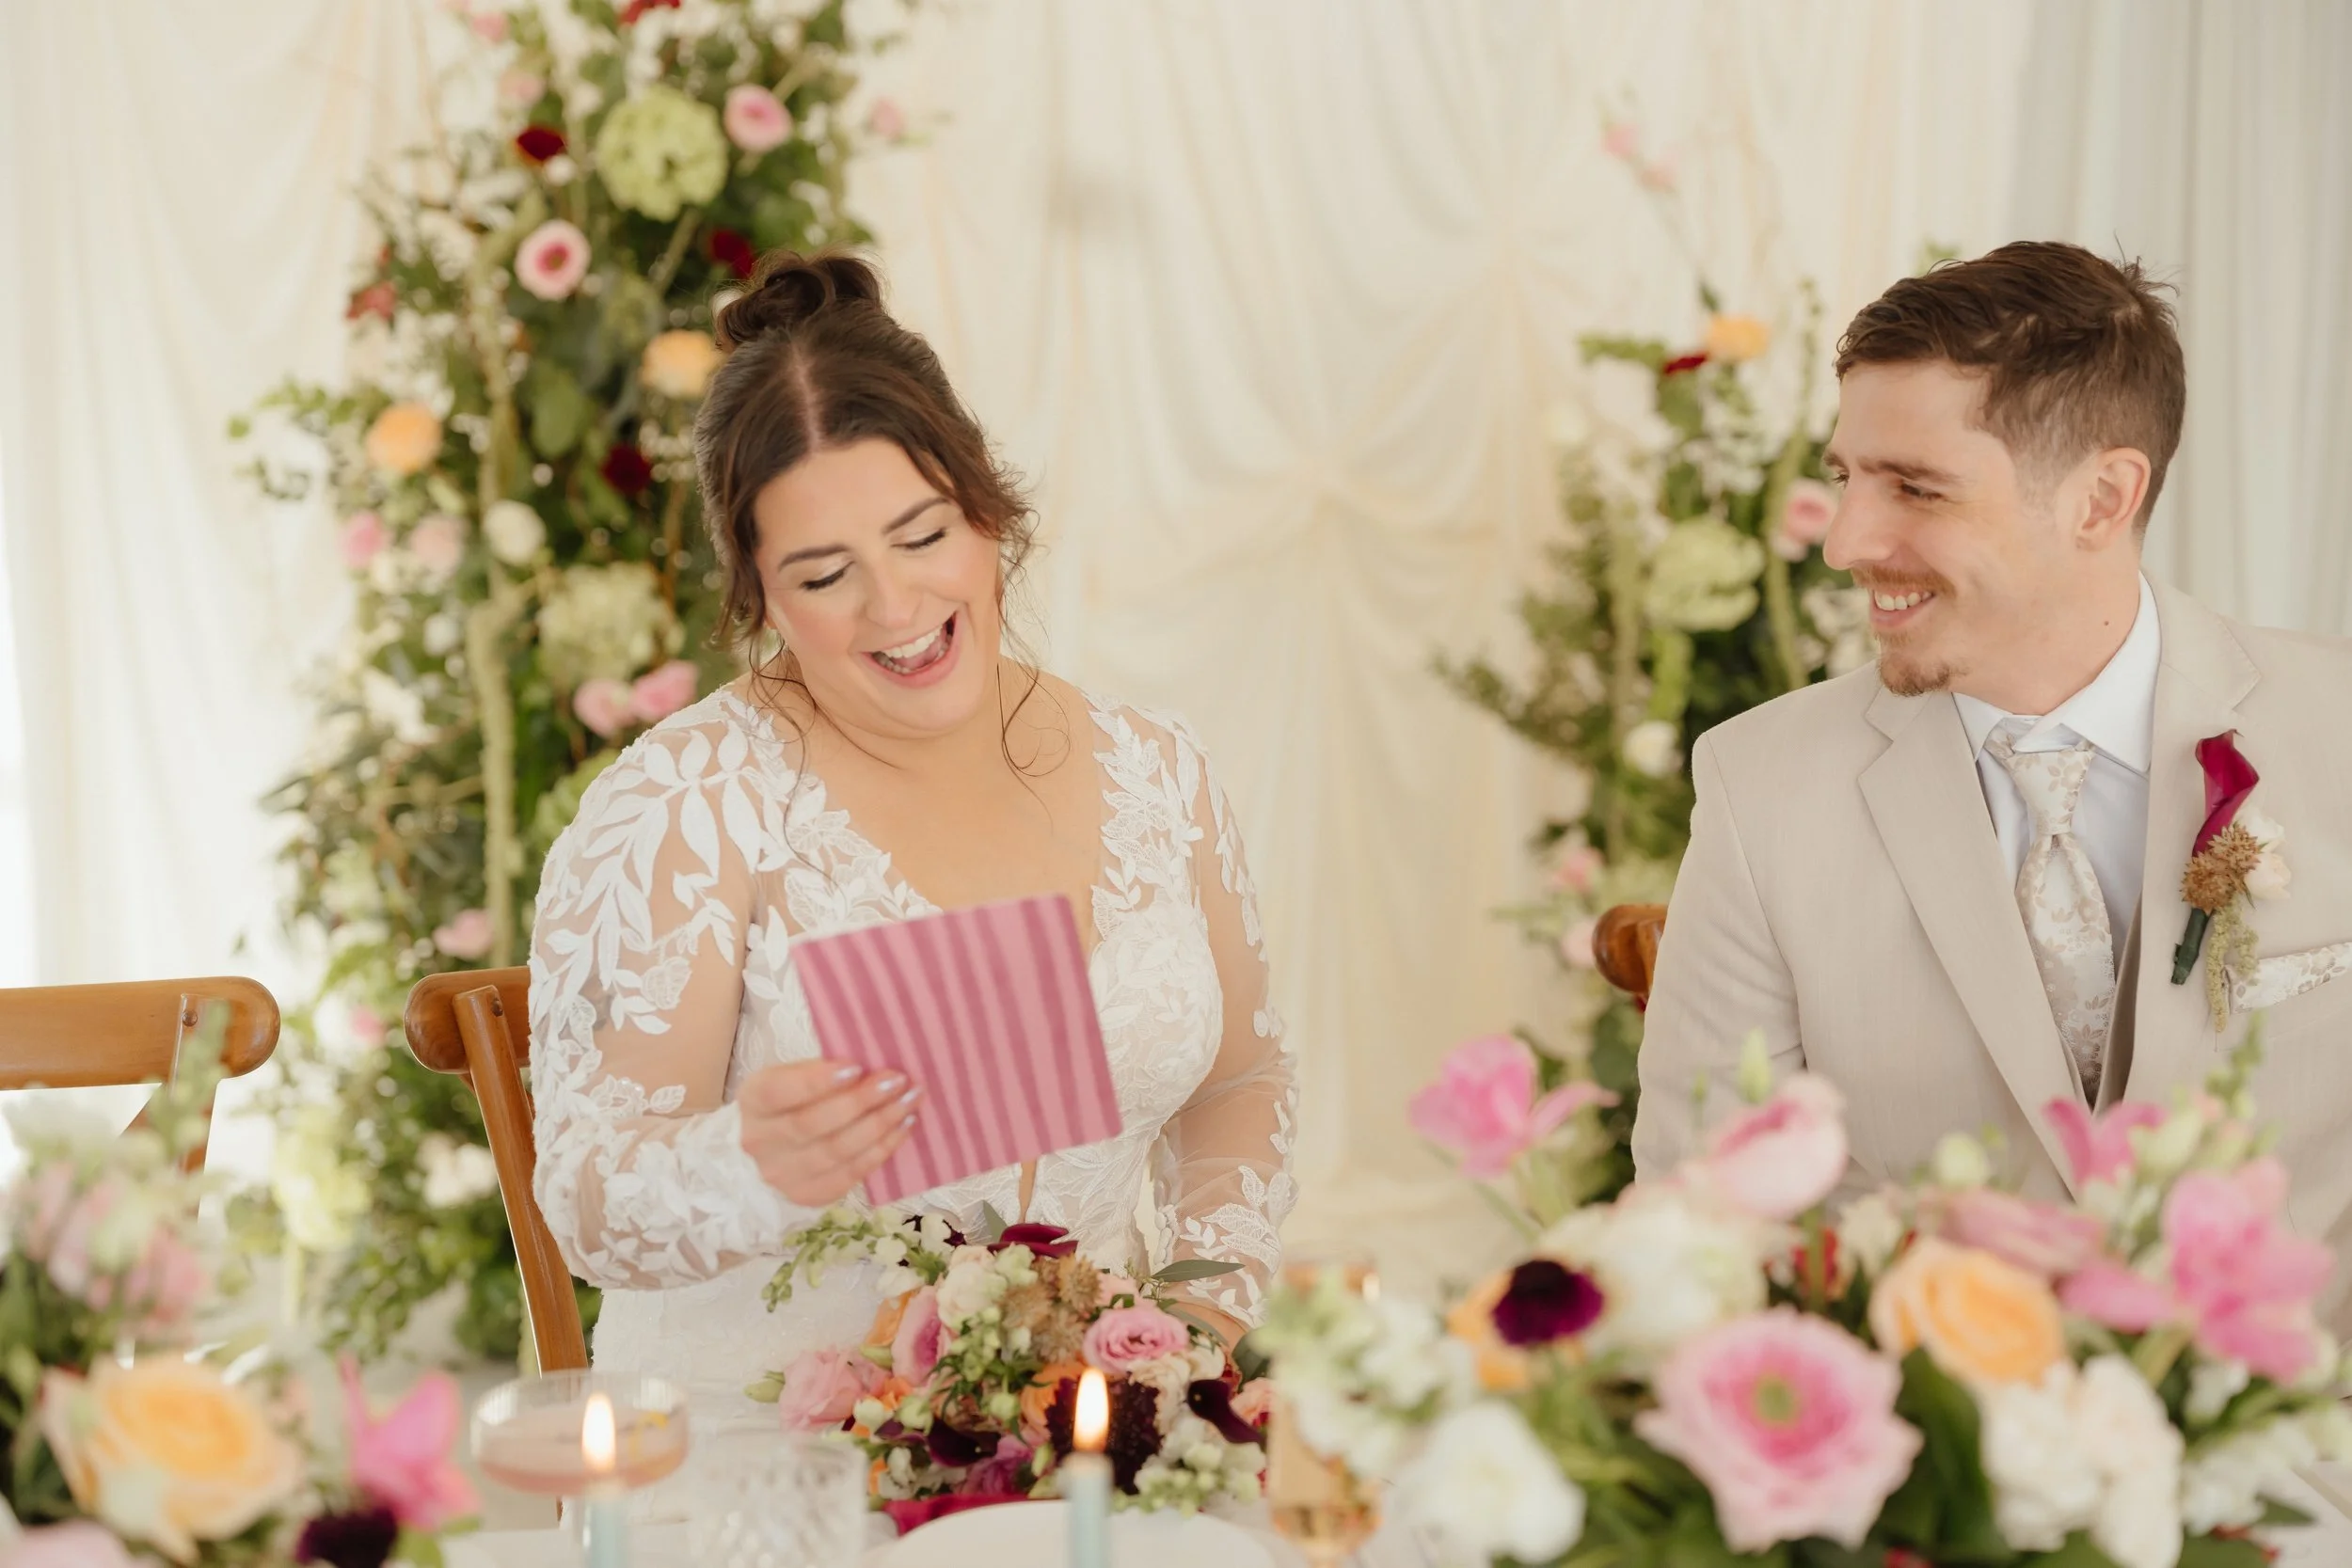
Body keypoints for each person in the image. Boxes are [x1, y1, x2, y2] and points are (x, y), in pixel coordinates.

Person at [529, 252, 1295, 1422]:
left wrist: (1193, 1328)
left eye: (923, 534)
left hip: (1080, 1447)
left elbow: (1240, 1081)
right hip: (767, 1456)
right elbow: (585, 1203)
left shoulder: (1157, 769)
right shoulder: (686, 804)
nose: (895, 608)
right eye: (824, 573)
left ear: (987, 507)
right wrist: (742, 1161)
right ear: (759, 596)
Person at [1631, 242, 2352, 1312]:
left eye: (1914, 487)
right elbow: (1702, 1224)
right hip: (1935, 1453)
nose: (1845, 543)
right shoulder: (1757, 786)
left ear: (2102, 499)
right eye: (1845, 478)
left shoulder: (2333, 727)